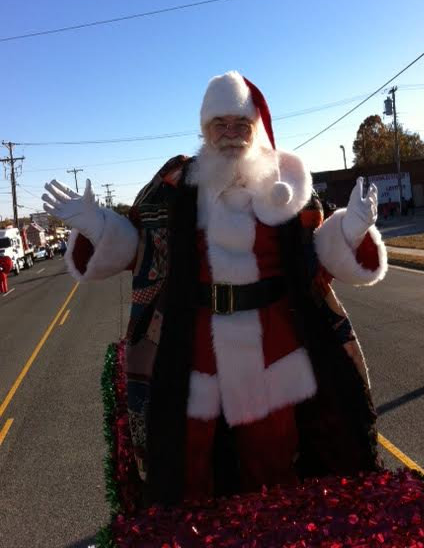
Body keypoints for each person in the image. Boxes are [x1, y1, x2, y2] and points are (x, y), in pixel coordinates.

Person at [42, 71, 387, 506]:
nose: (230, 134)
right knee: (187, 458)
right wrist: (95, 225)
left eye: (240, 125)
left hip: (273, 342)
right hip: (194, 340)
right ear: (204, 129)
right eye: (219, 125)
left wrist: (352, 230)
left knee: (274, 456)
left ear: (254, 128)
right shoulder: (176, 185)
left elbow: (318, 252)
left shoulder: (284, 187)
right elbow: (140, 247)